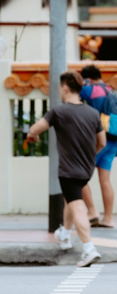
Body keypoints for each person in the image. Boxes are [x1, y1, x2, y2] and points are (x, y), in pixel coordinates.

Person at [26, 71, 106, 268]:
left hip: (68, 170)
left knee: (77, 206)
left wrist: (31, 136)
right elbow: (102, 143)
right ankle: (65, 235)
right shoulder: (92, 113)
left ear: (65, 88)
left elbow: (35, 129)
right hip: (86, 169)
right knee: (70, 200)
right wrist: (88, 156)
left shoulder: (59, 112)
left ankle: (89, 249)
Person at [79, 64, 117, 228]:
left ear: (87, 78)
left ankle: (92, 211)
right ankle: (108, 218)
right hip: (113, 140)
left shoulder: (89, 90)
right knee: (105, 180)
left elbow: (72, 97)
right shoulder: (111, 90)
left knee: (79, 176)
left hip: (97, 140)